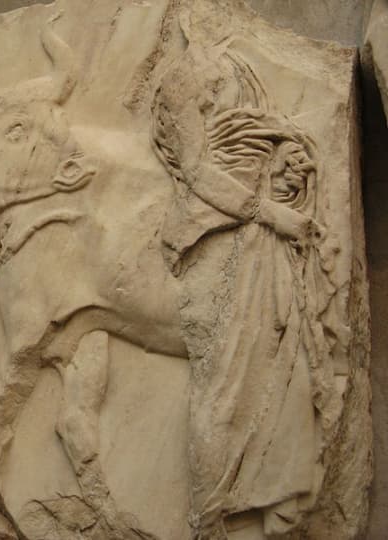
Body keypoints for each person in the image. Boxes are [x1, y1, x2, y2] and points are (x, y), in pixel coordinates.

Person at [151, 35, 344, 539]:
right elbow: (197, 172)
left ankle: (278, 493)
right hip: (226, 245)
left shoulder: (237, 71)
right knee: (226, 387)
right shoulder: (184, 84)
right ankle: (210, 515)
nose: (214, 89)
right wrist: (269, 211)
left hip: (267, 248)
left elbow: (264, 140)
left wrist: (287, 161)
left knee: (289, 365)